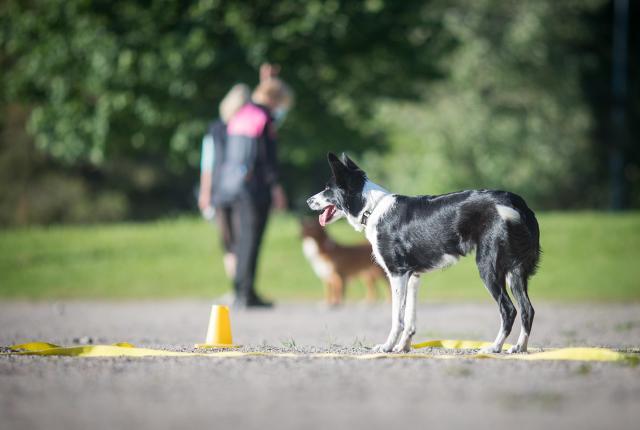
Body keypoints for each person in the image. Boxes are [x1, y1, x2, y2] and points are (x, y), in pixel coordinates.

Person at [220, 69, 293, 309]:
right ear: (274, 99)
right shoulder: (265, 118)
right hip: (255, 188)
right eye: (280, 103)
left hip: (231, 186)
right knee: (252, 241)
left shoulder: (242, 114)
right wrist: (276, 187)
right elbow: (266, 158)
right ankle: (247, 295)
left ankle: (240, 290)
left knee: (241, 242)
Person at [198, 84, 251, 280]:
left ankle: (240, 286)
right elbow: (208, 163)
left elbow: (207, 164)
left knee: (235, 241)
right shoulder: (217, 130)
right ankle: (237, 285)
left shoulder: (242, 128)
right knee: (231, 241)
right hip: (226, 192)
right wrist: (205, 193)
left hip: (230, 192)